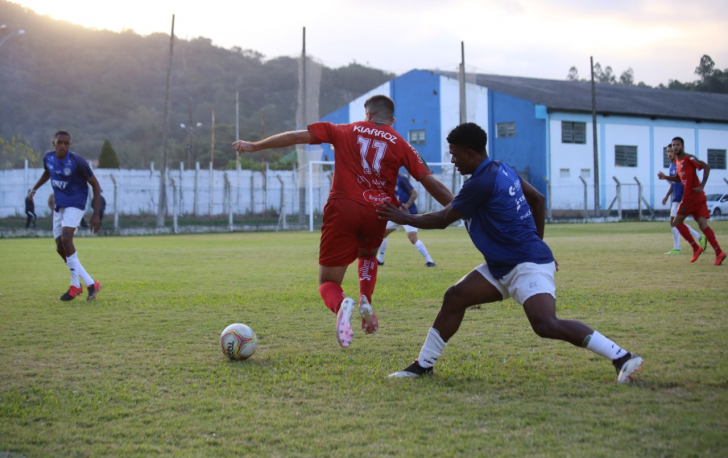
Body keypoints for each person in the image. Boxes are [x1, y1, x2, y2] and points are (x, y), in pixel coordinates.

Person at [378, 122, 643, 384]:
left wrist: (402, 217)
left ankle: (622, 357)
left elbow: (444, 218)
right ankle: (423, 366)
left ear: (470, 154)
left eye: (455, 154)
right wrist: (536, 243)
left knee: (545, 324)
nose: (452, 160)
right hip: (505, 264)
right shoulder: (501, 170)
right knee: (455, 296)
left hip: (525, 264)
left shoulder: (479, 184)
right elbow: (537, 198)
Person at [233, 95, 453, 348]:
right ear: (392, 120)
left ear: (367, 115)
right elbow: (430, 182)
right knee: (369, 254)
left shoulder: (343, 130)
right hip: (379, 210)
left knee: (328, 282)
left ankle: (341, 306)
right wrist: (462, 208)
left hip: (343, 205)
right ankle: (365, 298)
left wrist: (253, 146)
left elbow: (296, 137)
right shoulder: (403, 144)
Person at [28, 130, 103, 301]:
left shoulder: (77, 162)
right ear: (53, 143)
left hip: (76, 203)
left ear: (70, 145)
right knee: (60, 248)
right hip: (59, 205)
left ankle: (75, 284)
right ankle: (89, 283)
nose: (62, 146)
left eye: (66, 143)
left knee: (66, 239)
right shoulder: (48, 157)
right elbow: (48, 172)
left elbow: (96, 185)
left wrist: (95, 214)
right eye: (59, 142)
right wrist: (35, 188)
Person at [658, 136, 725, 266]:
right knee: (703, 225)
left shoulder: (689, 158)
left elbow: (706, 167)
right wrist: (665, 177)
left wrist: (702, 185)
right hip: (696, 198)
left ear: (682, 146)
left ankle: (696, 248)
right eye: (673, 145)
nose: (675, 147)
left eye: (677, 144)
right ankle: (719, 253)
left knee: (676, 222)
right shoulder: (677, 161)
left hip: (691, 198)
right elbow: (678, 178)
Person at [377, 173, 436, 267]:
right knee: (382, 234)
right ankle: (380, 260)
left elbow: (414, 194)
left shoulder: (401, 178)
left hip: (408, 213)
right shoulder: (384, 180)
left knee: (412, 237)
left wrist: (406, 206)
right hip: (396, 214)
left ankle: (430, 261)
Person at [661, 144, 704, 254]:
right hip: (676, 197)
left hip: (682, 197)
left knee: (674, 222)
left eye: (671, 151)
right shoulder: (671, 166)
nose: (670, 153)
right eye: (668, 151)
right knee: (675, 222)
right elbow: (674, 183)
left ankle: (677, 248)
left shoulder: (679, 164)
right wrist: (666, 196)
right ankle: (699, 238)